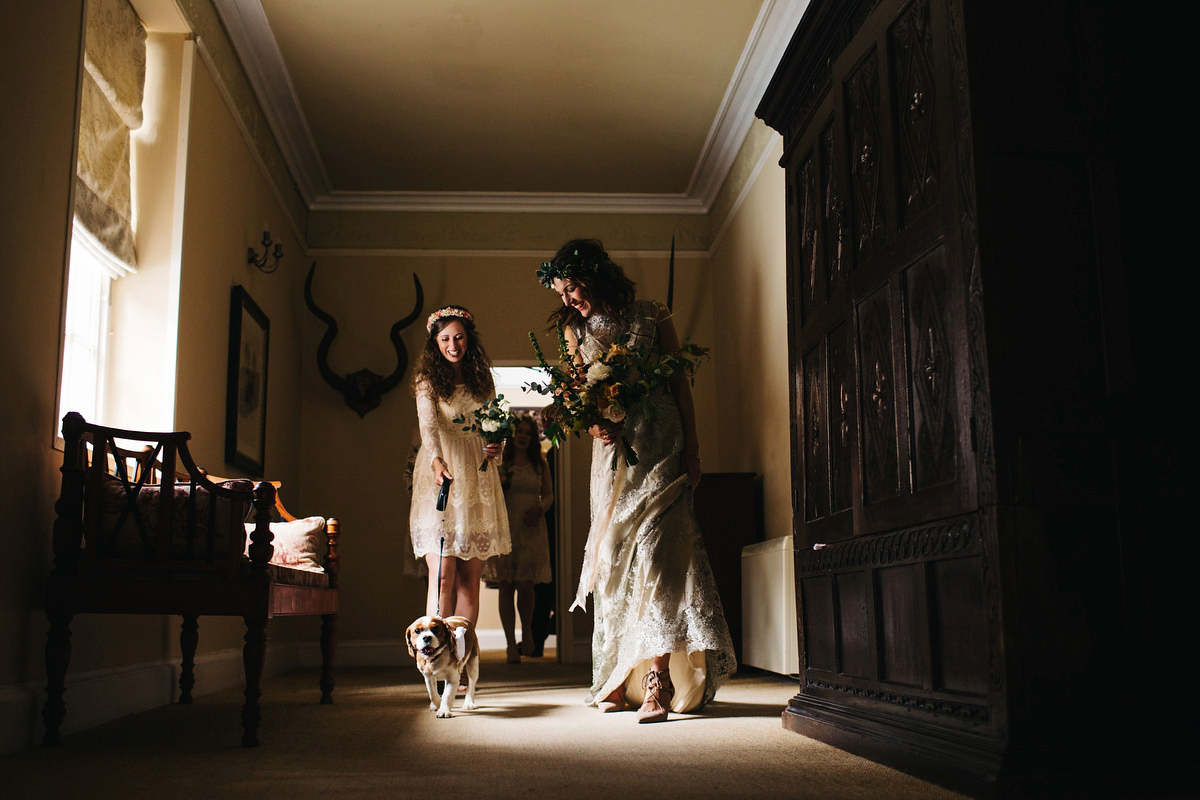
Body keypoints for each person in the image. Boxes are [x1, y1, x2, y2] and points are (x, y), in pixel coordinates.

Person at [537, 238, 735, 723]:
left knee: (660, 557)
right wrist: (592, 422)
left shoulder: (653, 313)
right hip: (614, 460)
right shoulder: (572, 328)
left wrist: (693, 448)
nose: (568, 300)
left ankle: (658, 681)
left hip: (662, 445)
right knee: (616, 562)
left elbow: (679, 382)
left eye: (573, 288)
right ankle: (617, 675)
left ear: (596, 277)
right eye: (561, 293)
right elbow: (578, 390)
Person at [409, 305, 511, 626]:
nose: (453, 346)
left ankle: (462, 666)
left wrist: (497, 445)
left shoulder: (482, 381)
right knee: (442, 576)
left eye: (459, 337)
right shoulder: (427, 381)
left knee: (469, 584)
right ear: (435, 343)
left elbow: (495, 425)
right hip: (442, 478)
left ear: (469, 339)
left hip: (477, 479)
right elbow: (428, 428)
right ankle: (436, 661)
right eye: (445, 339)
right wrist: (436, 460)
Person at [483, 414, 554, 663]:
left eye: (527, 432)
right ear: (512, 436)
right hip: (506, 526)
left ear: (533, 437)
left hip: (531, 528)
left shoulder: (540, 462)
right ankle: (510, 643)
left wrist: (540, 509)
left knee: (526, 584)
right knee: (506, 584)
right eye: (519, 432)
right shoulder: (502, 462)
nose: (522, 436)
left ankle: (527, 632)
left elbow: (549, 496)